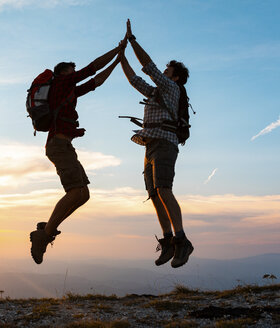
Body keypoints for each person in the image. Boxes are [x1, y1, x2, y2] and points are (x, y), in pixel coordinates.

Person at [30, 43, 124, 264]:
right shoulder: (61, 82)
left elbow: (96, 81)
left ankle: (47, 229)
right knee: (74, 192)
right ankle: (43, 236)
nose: (75, 73)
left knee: (83, 194)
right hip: (58, 146)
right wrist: (117, 51)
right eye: (72, 70)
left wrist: (118, 63)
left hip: (65, 146)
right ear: (63, 72)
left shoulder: (68, 90)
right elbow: (92, 68)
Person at [118, 19, 193, 268]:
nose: (164, 70)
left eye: (168, 68)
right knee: (154, 194)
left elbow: (147, 67)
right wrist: (121, 58)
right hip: (150, 145)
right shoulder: (156, 93)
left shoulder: (173, 89)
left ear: (177, 76)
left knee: (163, 189)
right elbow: (134, 80)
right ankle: (169, 240)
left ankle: (182, 241)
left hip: (165, 143)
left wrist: (132, 41)